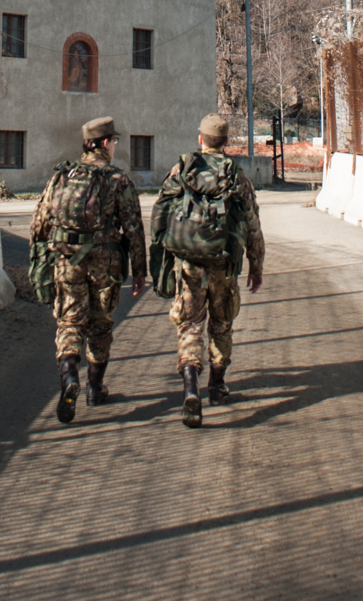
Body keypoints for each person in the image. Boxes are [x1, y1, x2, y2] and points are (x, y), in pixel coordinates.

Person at [29, 116, 148, 423]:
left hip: (67, 261)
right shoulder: (117, 179)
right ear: (105, 143)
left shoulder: (62, 176)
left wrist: (40, 258)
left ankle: (70, 379)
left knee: (69, 323)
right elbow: (134, 229)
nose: (114, 147)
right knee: (100, 324)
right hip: (105, 265)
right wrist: (139, 271)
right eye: (114, 141)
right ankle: (95, 388)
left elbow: (40, 224)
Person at [150, 112, 265, 428]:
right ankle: (216, 384)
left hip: (189, 263)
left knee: (189, 325)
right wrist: (257, 265)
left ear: (200, 139)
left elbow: (161, 214)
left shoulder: (182, 171)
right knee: (221, 323)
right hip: (224, 264)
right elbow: (252, 225)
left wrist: (158, 257)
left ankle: (190, 387)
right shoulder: (236, 176)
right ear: (226, 142)